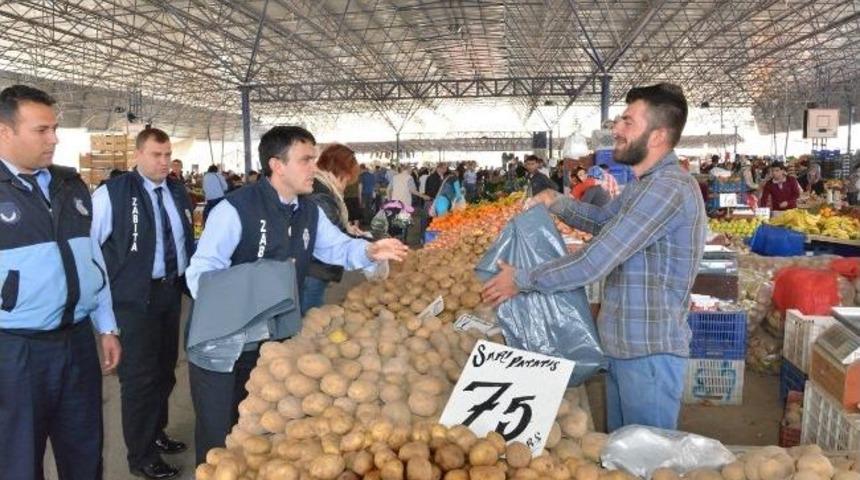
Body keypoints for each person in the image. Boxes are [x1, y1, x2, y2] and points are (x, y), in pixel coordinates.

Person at [483, 83, 706, 432]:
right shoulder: (645, 184)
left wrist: (523, 279)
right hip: (625, 347)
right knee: (620, 457)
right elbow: (603, 222)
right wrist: (555, 201)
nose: (616, 129)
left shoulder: (668, 189)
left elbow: (594, 261)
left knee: (644, 464)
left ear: (658, 135)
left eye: (628, 122)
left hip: (648, 351)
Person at [184, 126, 409, 465]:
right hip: (223, 343)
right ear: (277, 165)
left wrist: (369, 251)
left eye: (315, 159)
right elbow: (199, 275)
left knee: (257, 430)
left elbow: (337, 248)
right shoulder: (234, 210)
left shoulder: (308, 210)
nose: (314, 168)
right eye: (305, 160)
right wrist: (258, 284)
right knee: (219, 437)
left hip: (270, 340)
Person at [0, 84, 121, 480]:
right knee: (18, 461)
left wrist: (106, 325)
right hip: (16, 352)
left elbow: (92, 259)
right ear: (4, 131)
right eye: (41, 130)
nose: (54, 139)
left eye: (55, 128)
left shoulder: (70, 185)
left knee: (85, 452)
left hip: (76, 344)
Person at [92, 127, 195, 479]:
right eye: (156, 155)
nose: (164, 162)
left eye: (167, 155)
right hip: (132, 300)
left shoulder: (178, 192)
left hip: (168, 293)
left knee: (165, 370)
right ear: (138, 155)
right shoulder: (113, 194)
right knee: (139, 380)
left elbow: (184, 241)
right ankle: (141, 456)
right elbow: (90, 247)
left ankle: (157, 432)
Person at [302, 143, 364, 313]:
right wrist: (367, 243)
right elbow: (332, 237)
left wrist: (350, 231)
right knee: (310, 318)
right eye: (345, 180)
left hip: (313, 266)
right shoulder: (322, 194)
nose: (345, 186)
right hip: (314, 269)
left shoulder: (319, 187)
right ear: (338, 172)